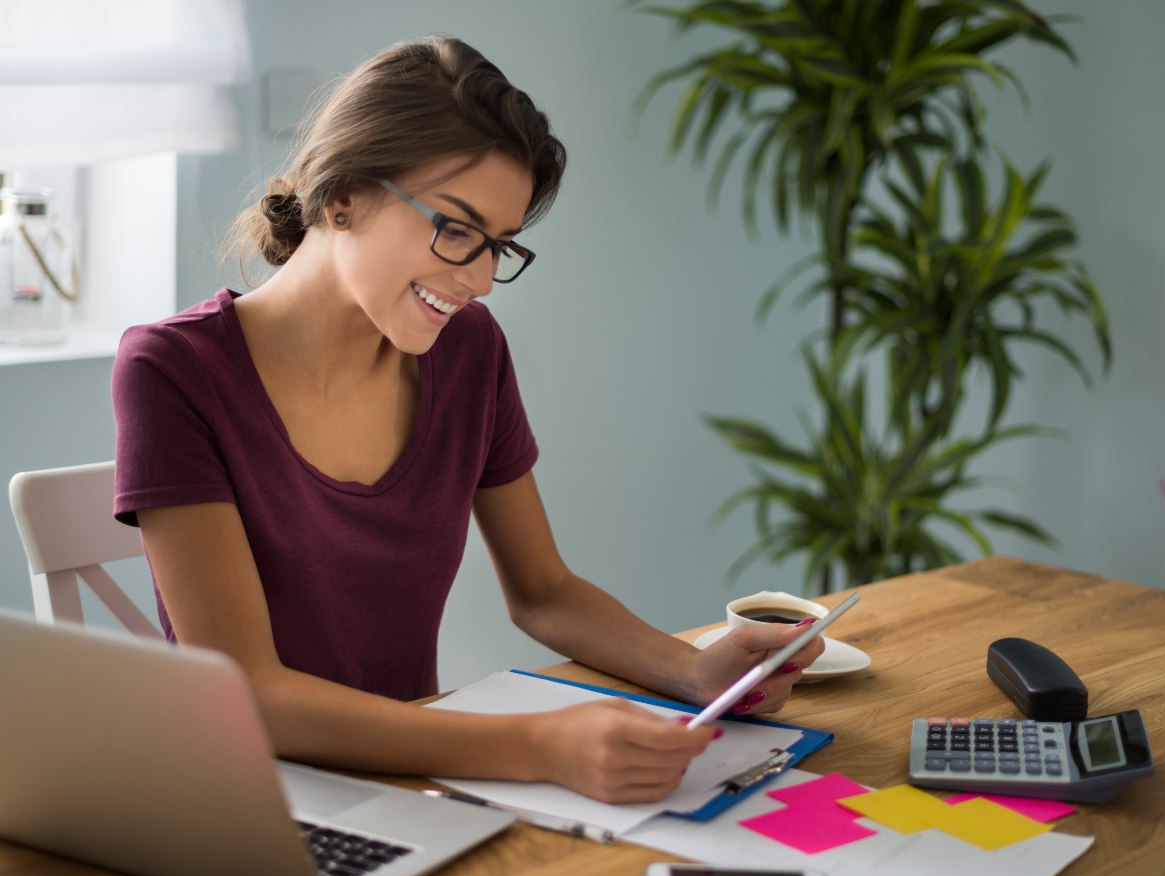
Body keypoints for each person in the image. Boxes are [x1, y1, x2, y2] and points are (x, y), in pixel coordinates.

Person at [111, 35, 823, 804]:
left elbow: (543, 590)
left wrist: (695, 669)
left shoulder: (468, 351)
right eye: (456, 229)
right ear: (343, 195)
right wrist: (539, 747)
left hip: (413, 790)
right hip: (245, 801)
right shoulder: (172, 370)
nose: (481, 280)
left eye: (500, 247)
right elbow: (250, 691)